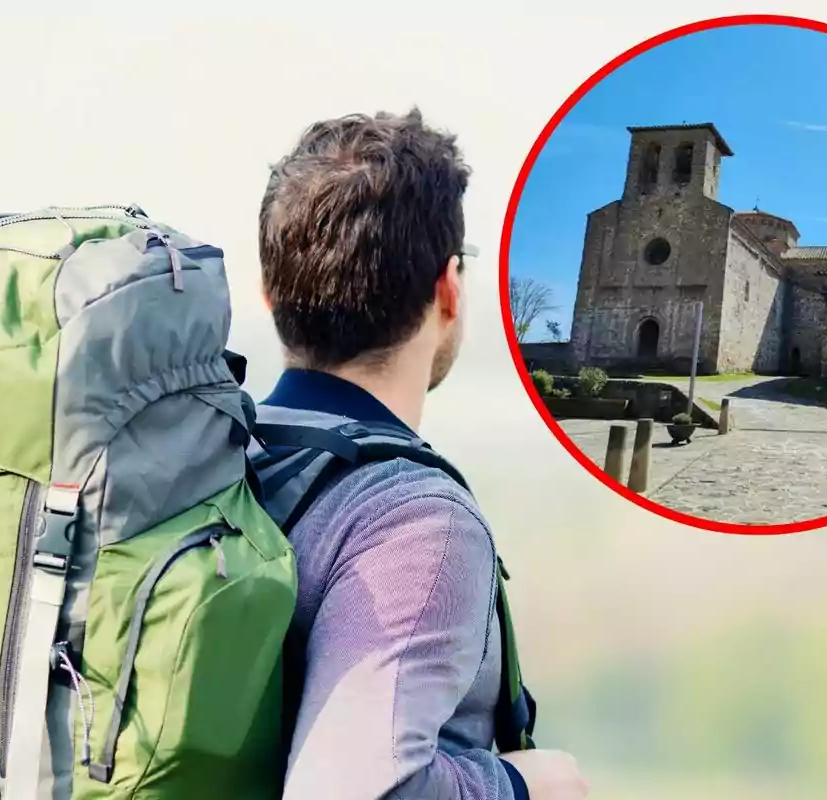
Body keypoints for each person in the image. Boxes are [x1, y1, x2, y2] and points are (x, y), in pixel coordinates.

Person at [252, 108, 590, 800]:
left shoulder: (204, 464)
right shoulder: (413, 522)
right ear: (448, 288)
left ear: (268, 294)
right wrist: (528, 788)